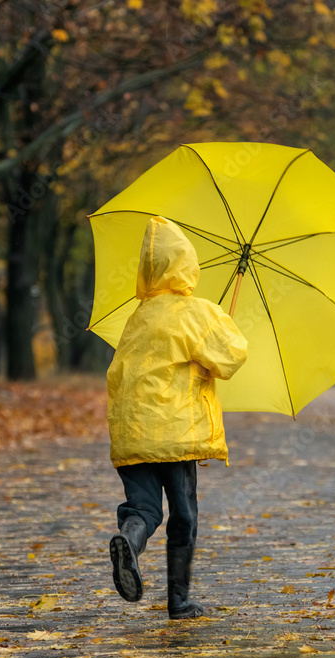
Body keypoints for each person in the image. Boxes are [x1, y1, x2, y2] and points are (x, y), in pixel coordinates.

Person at [106, 216, 248, 619]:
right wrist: (225, 325)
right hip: (176, 434)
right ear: (187, 264)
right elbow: (231, 357)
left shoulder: (138, 317)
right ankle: (179, 601)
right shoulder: (196, 313)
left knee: (145, 510)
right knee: (183, 516)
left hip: (132, 435)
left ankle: (130, 542)